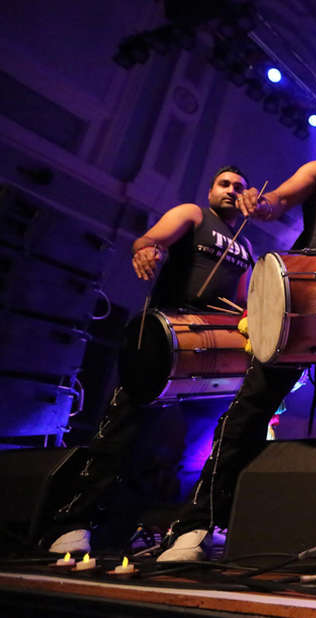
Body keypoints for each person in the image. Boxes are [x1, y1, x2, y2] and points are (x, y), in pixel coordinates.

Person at [157, 121, 316, 562]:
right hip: (302, 300)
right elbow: (280, 200)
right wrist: (261, 203)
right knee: (251, 409)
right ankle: (194, 524)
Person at [45, 167, 254, 554]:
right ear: (210, 189)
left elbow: (239, 304)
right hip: (164, 339)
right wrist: (148, 250)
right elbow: (151, 238)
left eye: (238, 187)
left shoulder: (246, 246)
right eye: (223, 184)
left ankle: (167, 527)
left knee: (194, 450)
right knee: (120, 432)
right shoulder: (193, 214)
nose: (230, 191)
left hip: (210, 359)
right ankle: (72, 523)